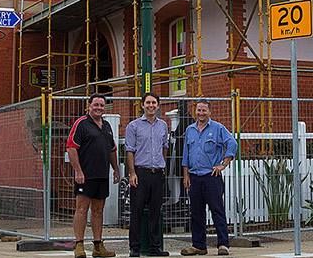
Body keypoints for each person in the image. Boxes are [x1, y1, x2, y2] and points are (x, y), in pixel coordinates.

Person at [180, 99, 237, 256]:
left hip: (211, 176)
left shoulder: (218, 128)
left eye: (204, 110)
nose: (201, 113)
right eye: (198, 110)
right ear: (195, 111)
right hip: (194, 177)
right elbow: (186, 154)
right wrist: (186, 175)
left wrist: (223, 164)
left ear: (209, 112)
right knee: (196, 212)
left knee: (217, 210)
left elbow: (232, 143)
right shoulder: (190, 130)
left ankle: (223, 244)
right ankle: (199, 245)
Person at [66, 94, 121, 258]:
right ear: (89, 106)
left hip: (102, 175)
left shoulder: (107, 126)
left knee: (98, 210)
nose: (99, 108)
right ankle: (79, 245)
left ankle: (98, 246)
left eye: (102, 105)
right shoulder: (81, 123)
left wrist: (116, 169)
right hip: (85, 175)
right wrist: (78, 171)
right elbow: (71, 147)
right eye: (95, 105)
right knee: (81, 209)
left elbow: (112, 150)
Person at [125, 92, 171, 257]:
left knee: (155, 211)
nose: (151, 106)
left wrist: (162, 165)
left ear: (158, 105)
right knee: (136, 211)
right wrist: (132, 173)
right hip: (140, 173)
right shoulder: (133, 126)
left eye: (154, 103)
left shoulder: (163, 126)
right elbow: (130, 151)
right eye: (148, 103)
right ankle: (135, 248)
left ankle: (155, 247)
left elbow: (165, 147)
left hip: (157, 174)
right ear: (142, 105)